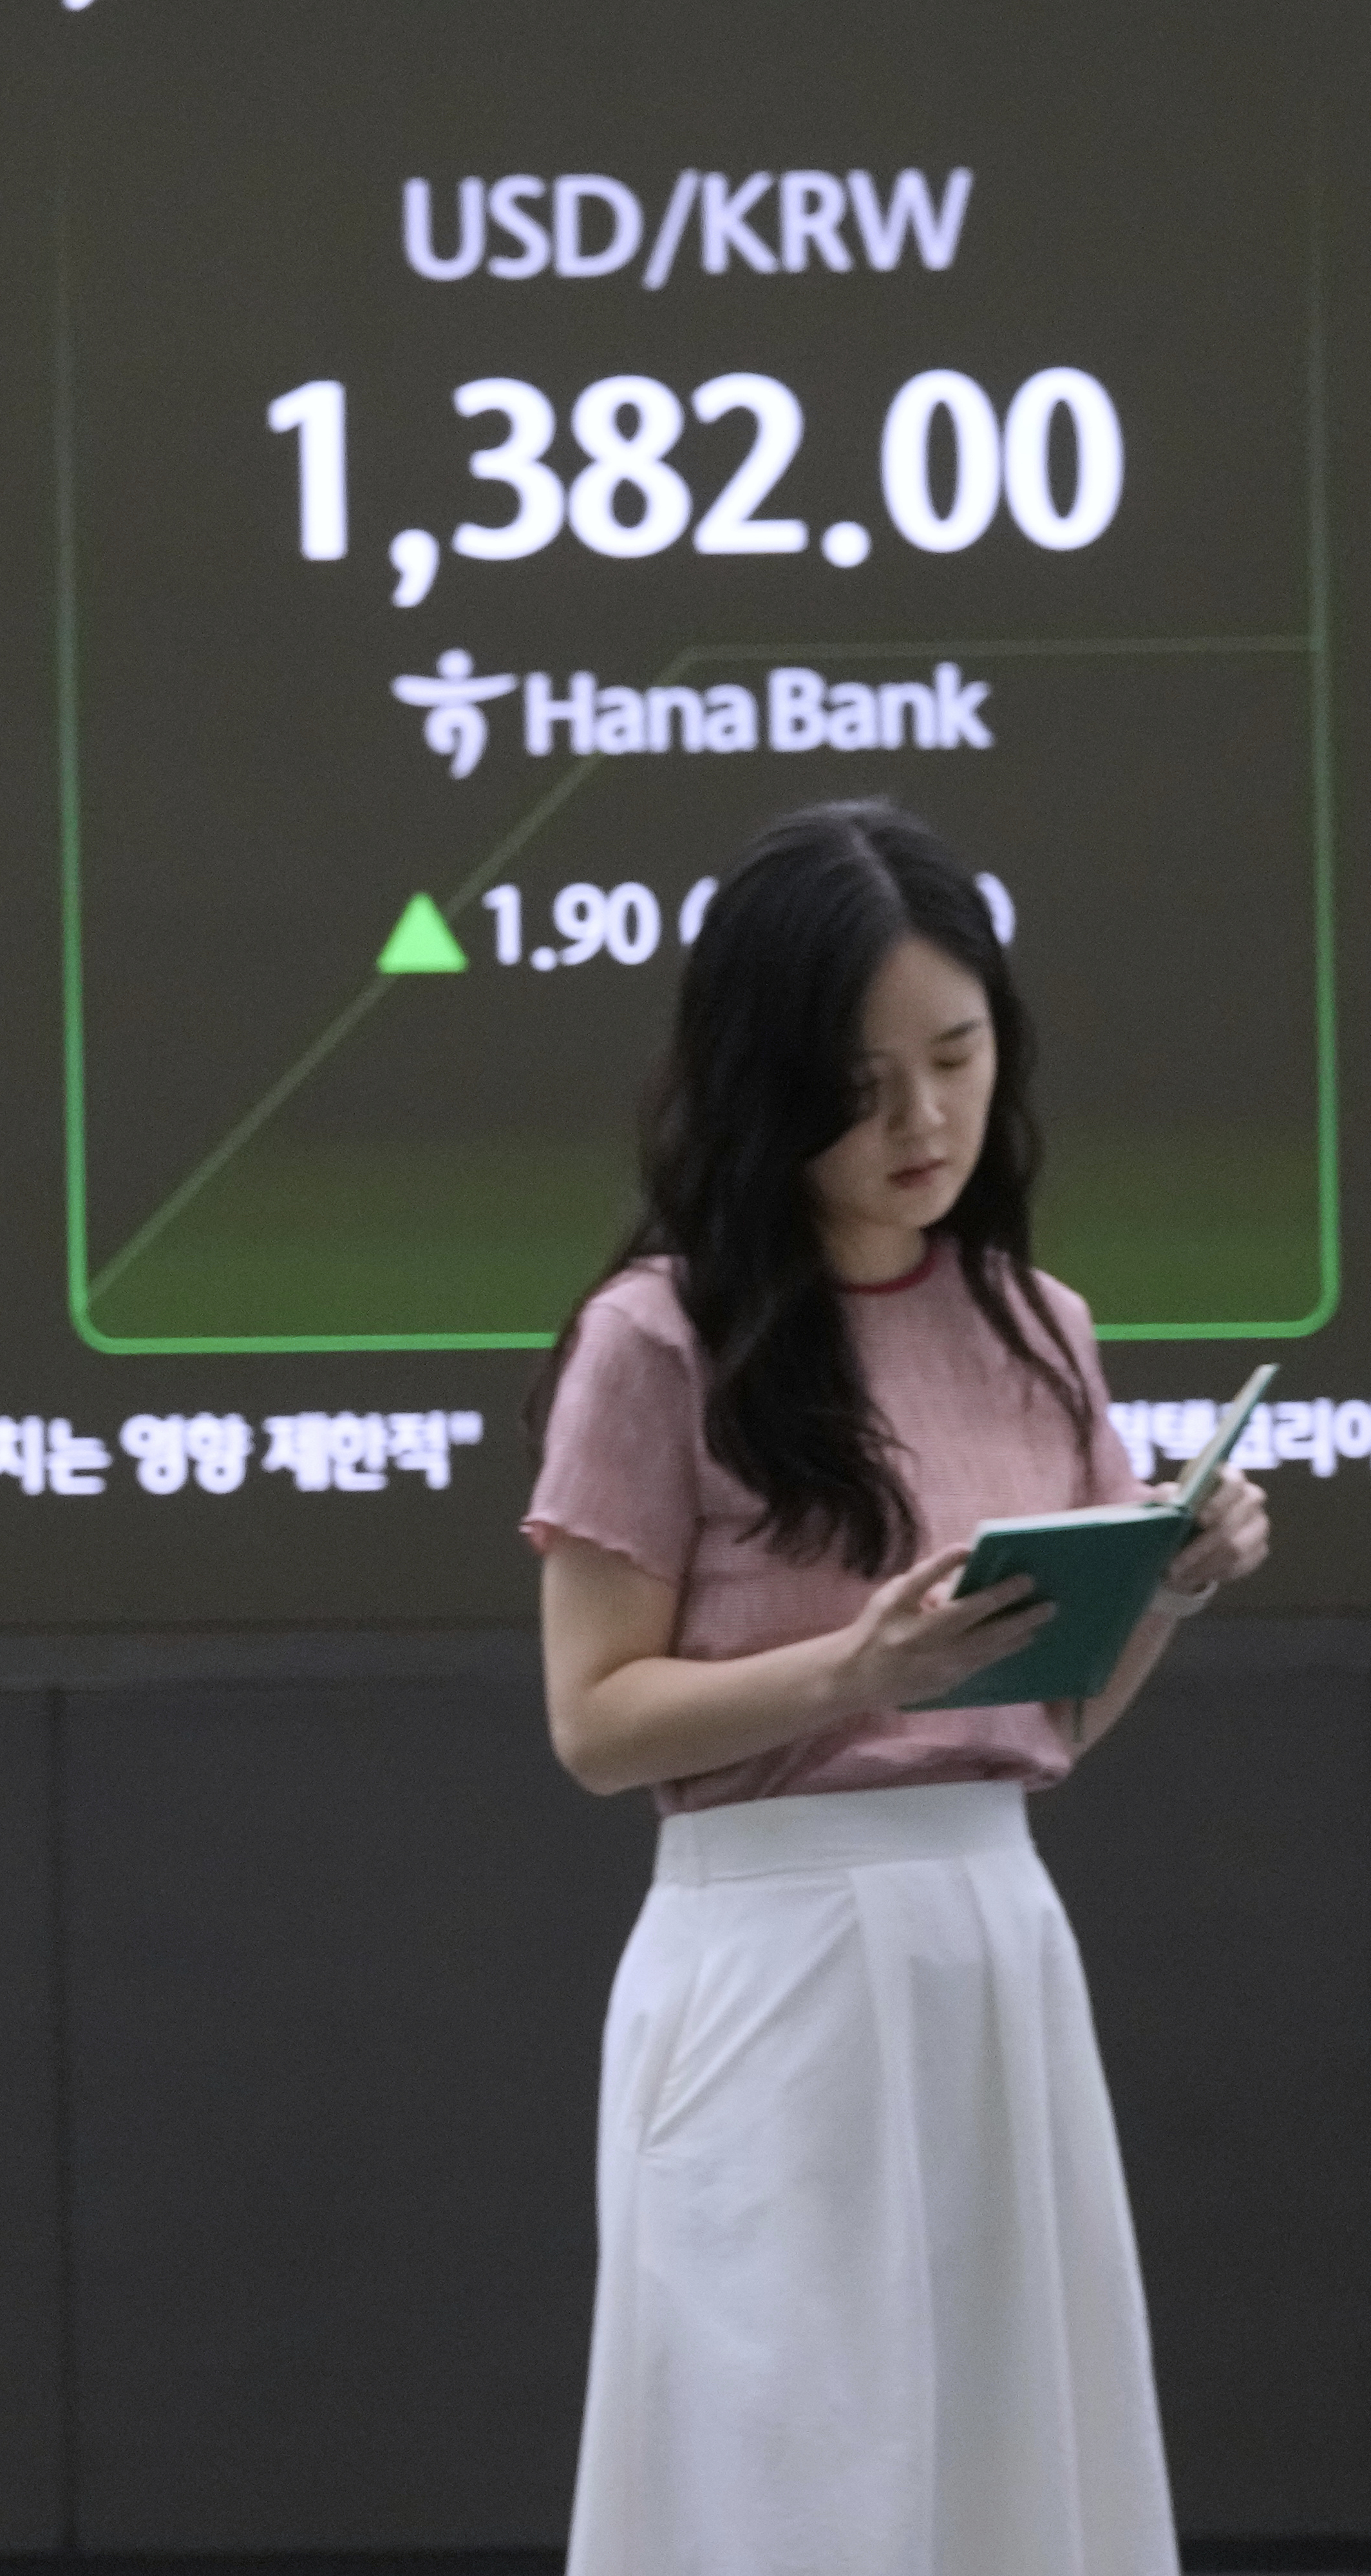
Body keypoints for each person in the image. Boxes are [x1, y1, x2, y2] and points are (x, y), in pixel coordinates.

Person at [525, 801, 1269, 2571]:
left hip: (994, 1947)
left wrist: (1165, 1580)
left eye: (959, 1055)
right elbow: (592, 1723)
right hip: (771, 1962)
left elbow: (1051, 1717)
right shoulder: (659, 1337)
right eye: (866, 1083)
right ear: (769, 1083)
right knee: (788, 2482)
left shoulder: (1040, 1323)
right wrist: (853, 1666)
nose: (926, 1120)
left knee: (1013, 2469)